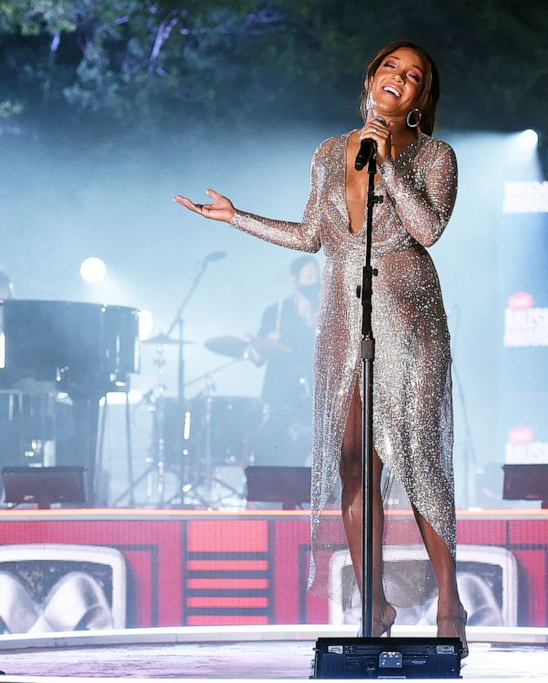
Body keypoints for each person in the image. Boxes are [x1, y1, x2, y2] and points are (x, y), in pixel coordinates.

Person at [175, 41, 466, 653]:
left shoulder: (434, 154)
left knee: (416, 459)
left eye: (414, 76)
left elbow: (429, 230)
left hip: (408, 318)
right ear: (371, 77)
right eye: (391, 67)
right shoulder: (330, 152)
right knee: (355, 464)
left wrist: (386, 163)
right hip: (342, 317)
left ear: (420, 99)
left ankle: (450, 603)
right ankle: (373, 604)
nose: (399, 78)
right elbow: (312, 234)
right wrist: (236, 219)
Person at [250, 255, 319, 466]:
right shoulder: (276, 313)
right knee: (275, 445)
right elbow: (257, 356)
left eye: (316, 277)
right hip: (281, 392)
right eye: (308, 277)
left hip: (313, 392)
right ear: (295, 279)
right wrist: (268, 342)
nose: (313, 282)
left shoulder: (325, 311)